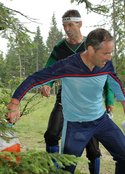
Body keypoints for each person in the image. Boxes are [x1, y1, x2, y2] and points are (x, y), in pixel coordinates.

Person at [7, 28, 125, 174]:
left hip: (101, 121)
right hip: (76, 126)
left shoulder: (106, 64)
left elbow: (117, 86)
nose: (109, 57)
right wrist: (14, 104)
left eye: (111, 52)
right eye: (106, 53)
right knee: (66, 169)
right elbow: (35, 78)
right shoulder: (68, 65)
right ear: (90, 50)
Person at [41, 9, 114, 174]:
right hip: (65, 100)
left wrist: (109, 100)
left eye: (70, 25)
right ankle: (55, 170)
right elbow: (50, 68)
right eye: (64, 25)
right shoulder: (60, 48)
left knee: (93, 148)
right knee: (51, 135)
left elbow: (107, 76)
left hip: (90, 103)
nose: (67, 29)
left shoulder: (93, 45)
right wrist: (47, 83)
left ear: (80, 24)